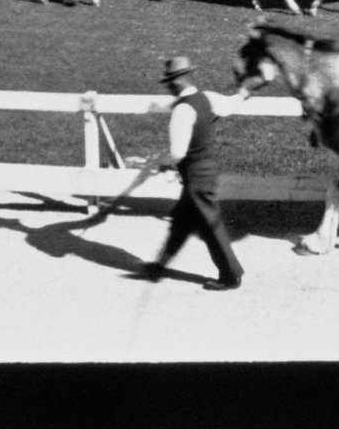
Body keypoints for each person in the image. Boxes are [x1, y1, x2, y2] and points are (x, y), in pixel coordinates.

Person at [101, 56, 243, 290]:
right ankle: (158, 267)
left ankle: (231, 275)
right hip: (205, 172)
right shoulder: (207, 98)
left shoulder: (182, 111)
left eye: (168, 82)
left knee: (211, 227)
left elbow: (177, 152)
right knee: (181, 221)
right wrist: (244, 91)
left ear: (176, 82)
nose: (167, 86)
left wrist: (159, 163)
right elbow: (231, 105)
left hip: (196, 177)